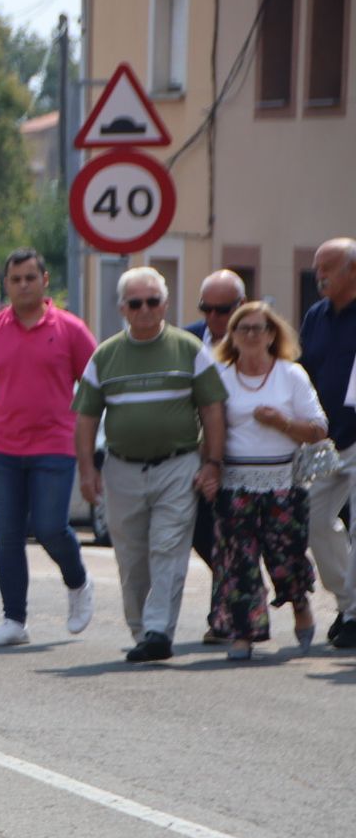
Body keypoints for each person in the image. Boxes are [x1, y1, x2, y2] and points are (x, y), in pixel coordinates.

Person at [74, 267, 227, 663]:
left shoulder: (189, 349)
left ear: (165, 304)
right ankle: (142, 628)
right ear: (124, 308)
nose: (145, 310)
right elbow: (86, 418)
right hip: (122, 468)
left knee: (168, 547)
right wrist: (87, 469)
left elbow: (212, 409)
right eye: (136, 303)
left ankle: (160, 630)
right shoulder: (105, 355)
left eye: (153, 301)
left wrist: (212, 462)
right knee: (131, 557)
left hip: (177, 465)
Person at [0, 249, 98, 646]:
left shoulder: (71, 329)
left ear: (44, 281)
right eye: (15, 279)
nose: (22, 285)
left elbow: (93, 388)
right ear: (6, 285)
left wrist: (82, 439)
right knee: (7, 535)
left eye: (29, 277)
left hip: (54, 445)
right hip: (1, 447)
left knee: (49, 526)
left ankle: (78, 582)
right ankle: (14, 620)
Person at [209, 302, 325, 660]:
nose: (250, 335)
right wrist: (209, 467)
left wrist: (282, 424)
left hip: (283, 484)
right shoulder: (222, 376)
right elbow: (210, 428)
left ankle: (300, 605)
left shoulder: (291, 375)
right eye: (242, 329)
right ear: (233, 337)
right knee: (238, 561)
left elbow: (319, 429)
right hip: (235, 483)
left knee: (285, 556)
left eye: (258, 328)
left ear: (272, 335)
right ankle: (244, 632)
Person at [183, 269, 248, 638]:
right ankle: (235, 588)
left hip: (243, 454)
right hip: (198, 453)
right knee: (200, 531)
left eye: (222, 310)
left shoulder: (257, 338)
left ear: (240, 306)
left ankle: (223, 616)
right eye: (206, 308)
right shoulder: (188, 339)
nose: (213, 318)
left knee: (232, 535)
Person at [300, 238, 356, 649]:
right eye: (317, 267)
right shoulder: (316, 315)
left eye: (328, 268)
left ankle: (353, 616)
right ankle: (350, 602)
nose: (319, 275)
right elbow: (305, 373)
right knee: (316, 523)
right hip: (326, 442)